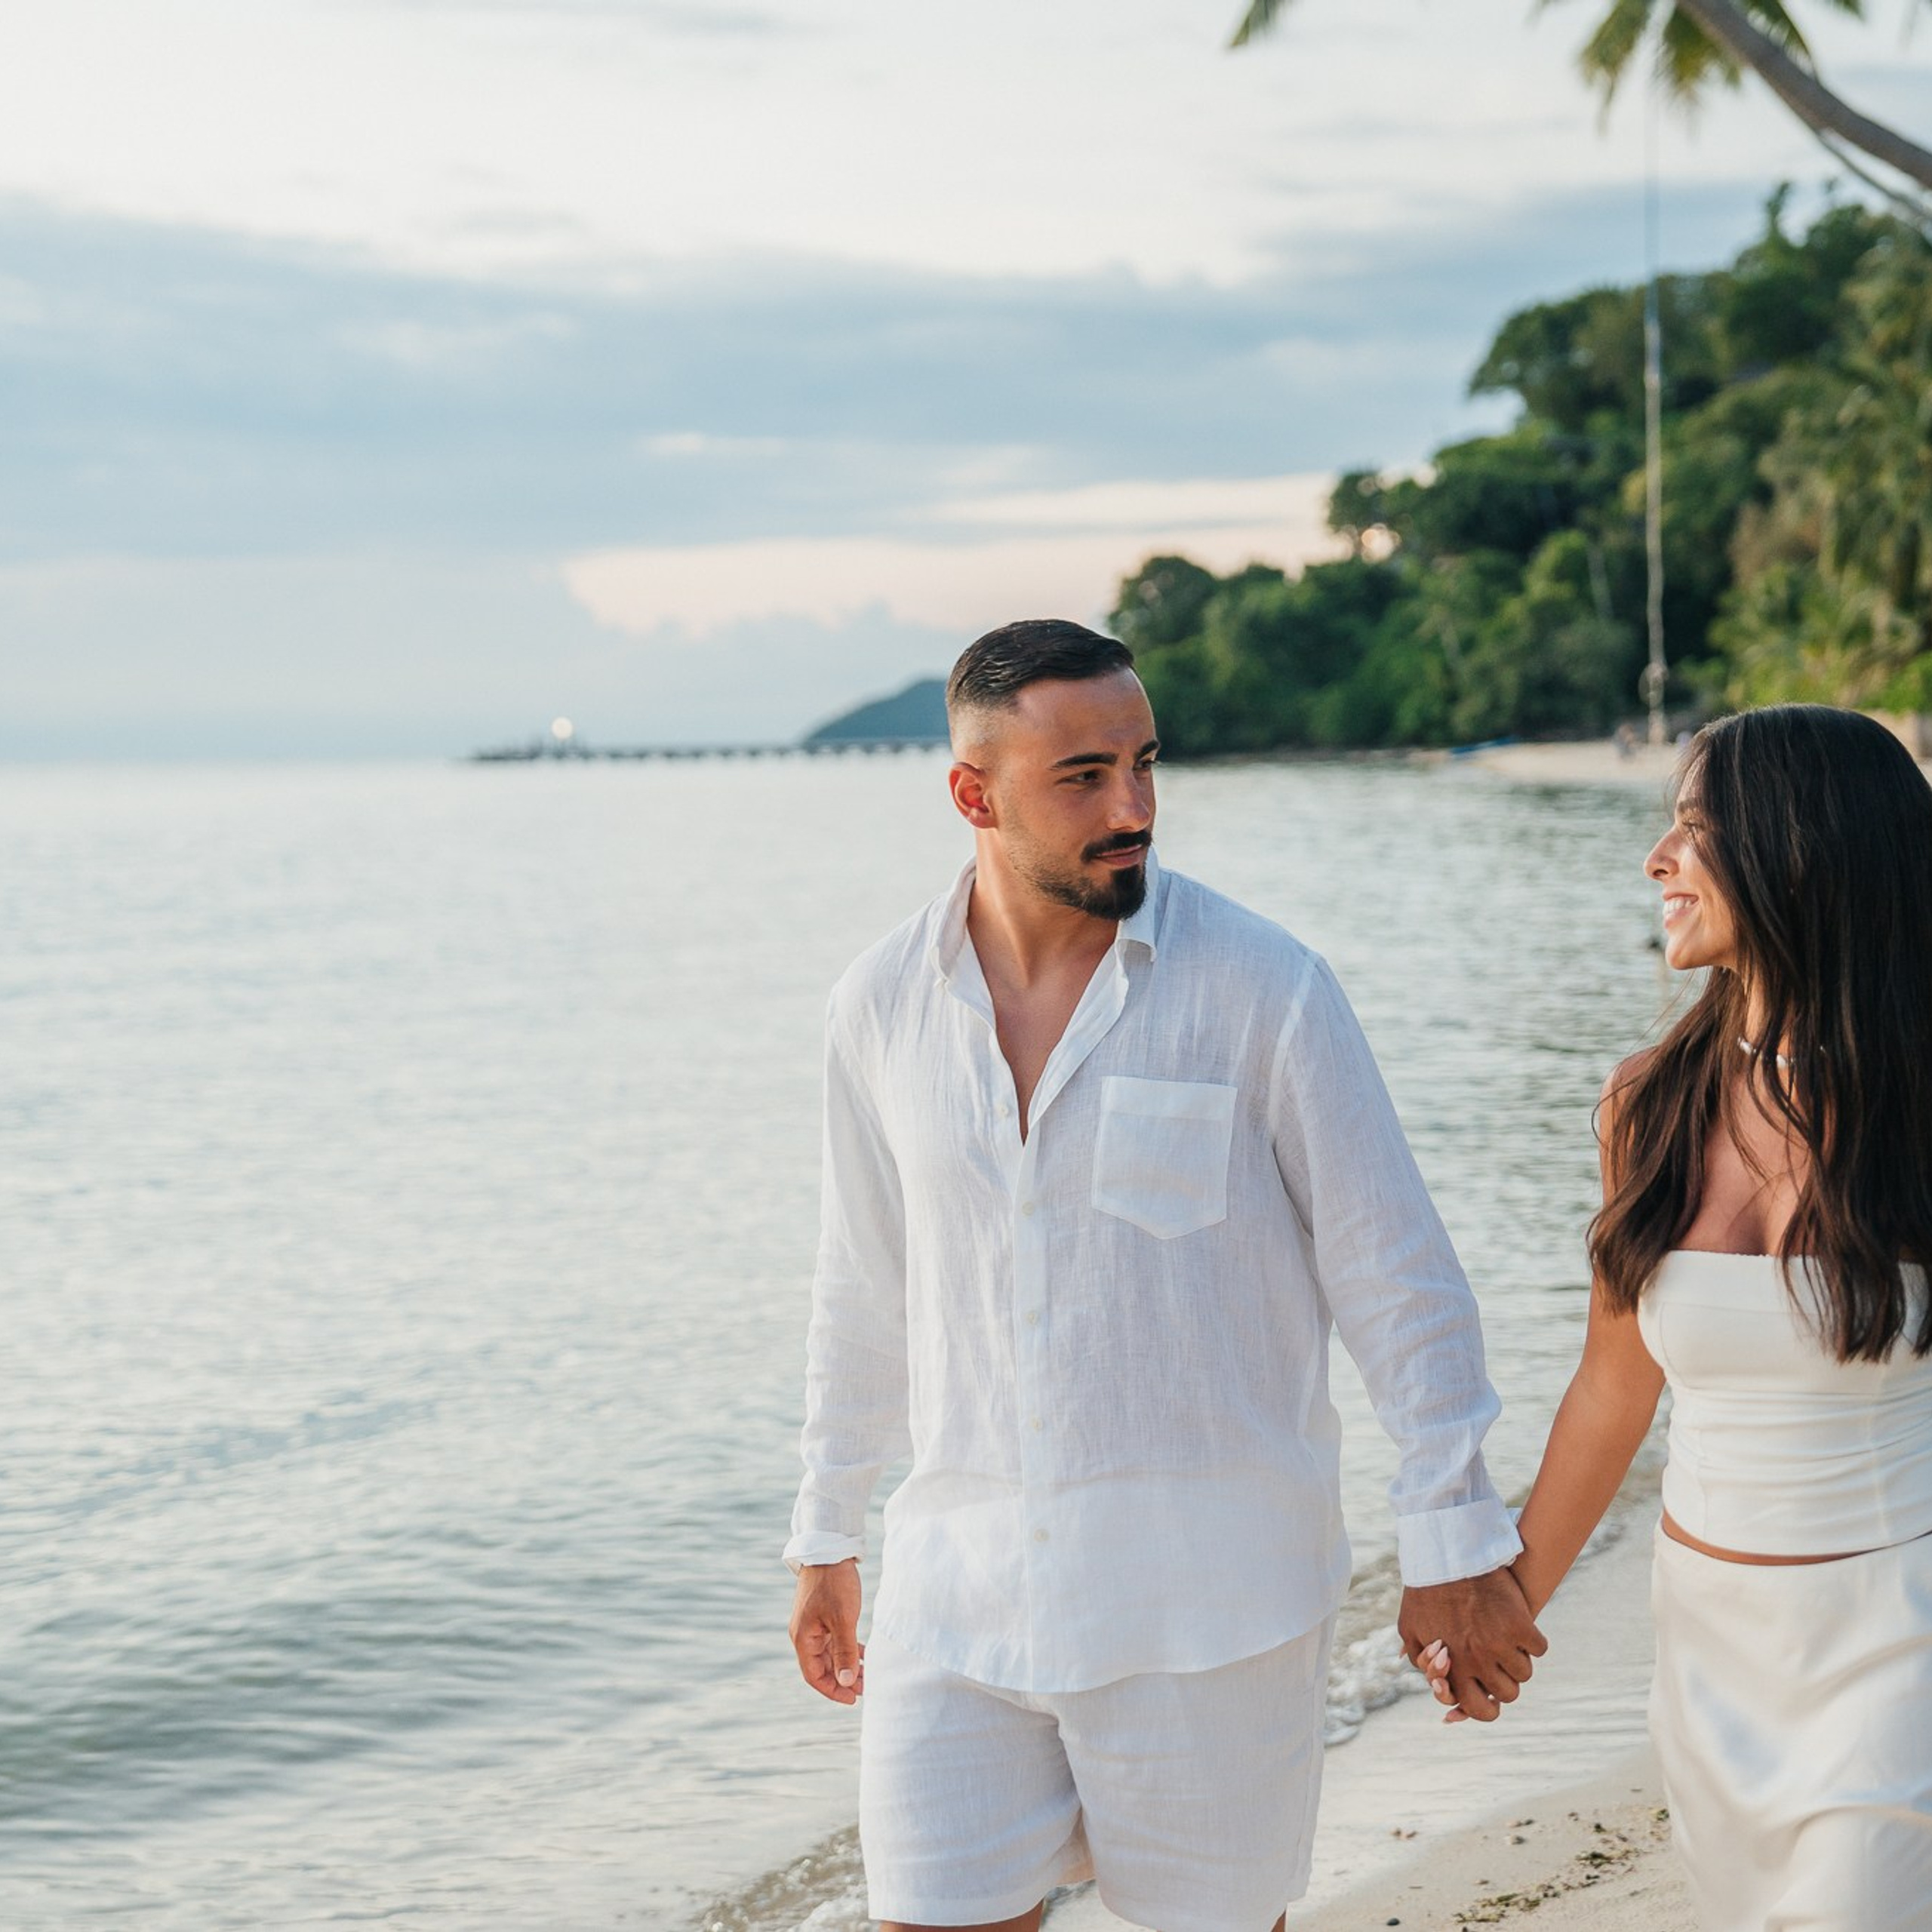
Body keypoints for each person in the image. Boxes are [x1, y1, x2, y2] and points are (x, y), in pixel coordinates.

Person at [786, 619, 1543, 1932]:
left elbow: (1396, 1277)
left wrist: (1451, 1535)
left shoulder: (1264, 987)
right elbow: (863, 1282)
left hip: (1212, 1617)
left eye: (1144, 762)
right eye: (1083, 776)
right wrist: (825, 1527)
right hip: (958, 1603)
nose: (1132, 806)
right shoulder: (878, 1009)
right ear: (974, 794)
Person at [1426, 704, 1932, 1926]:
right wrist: (1509, 1601)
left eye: (1694, 832)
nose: (1656, 861)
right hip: (1708, 1654)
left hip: (1899, 1642)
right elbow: (1613, 1391)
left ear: (1799, 850)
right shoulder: (1645, 1105)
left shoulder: (1918, 1107)